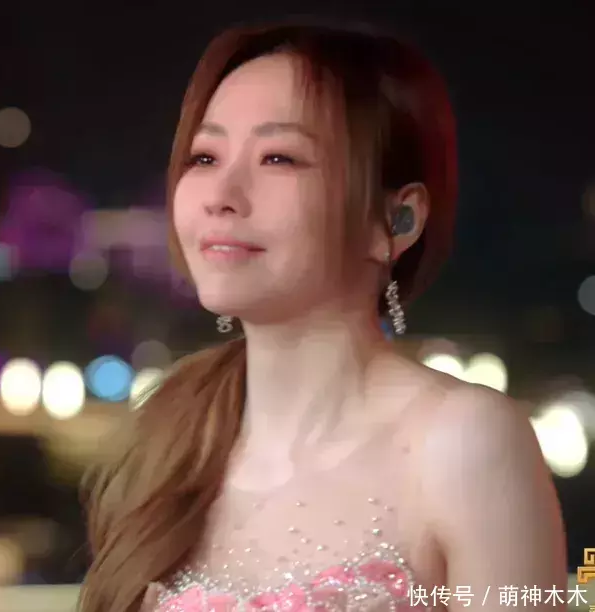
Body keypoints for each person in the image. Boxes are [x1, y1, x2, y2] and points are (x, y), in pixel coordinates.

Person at [79, 21, 567, 612]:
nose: (220, 194)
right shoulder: (168, 435)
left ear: (396, 221)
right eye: (204, 157)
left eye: (279, 157)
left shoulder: (465, 442)